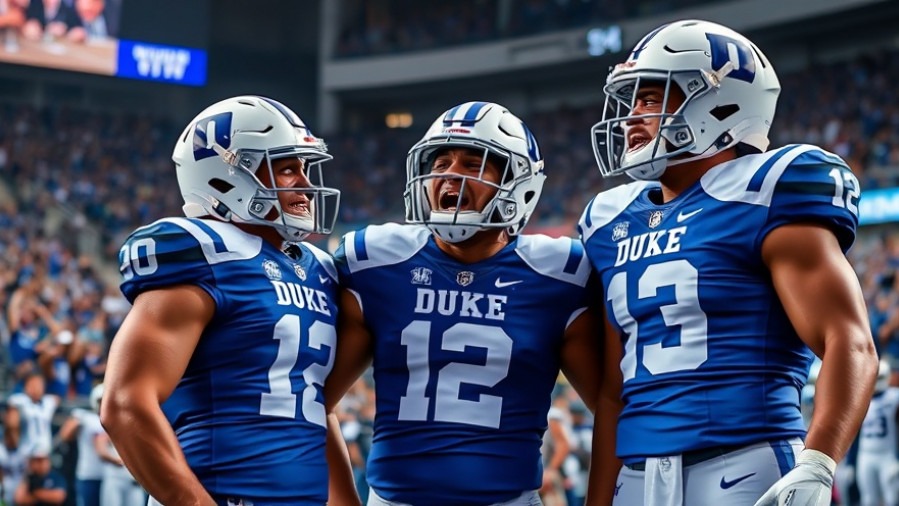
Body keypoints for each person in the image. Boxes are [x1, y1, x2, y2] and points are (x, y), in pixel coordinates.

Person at [578, 19, 880, 506]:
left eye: (652, 98)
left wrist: (819, 462)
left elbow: (850, 340)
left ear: (719, 103)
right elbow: (616, 392)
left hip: (743, 465)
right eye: (631, 100)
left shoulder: (766, 191)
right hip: (636, 475)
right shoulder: (610, 219)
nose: (633, 116)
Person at [326, 101, 602, 505]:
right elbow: (315, 401)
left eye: (473, 164)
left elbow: (610, 406)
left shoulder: (558, 274)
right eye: (441, 163)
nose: (450, 175)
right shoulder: (375, 261)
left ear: (518, 183)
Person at [99, 95, 343, 506]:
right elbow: (125, 404)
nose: (304, 182)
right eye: (286, 168)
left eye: (304, 167)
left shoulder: (318, 267)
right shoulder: (206, 252)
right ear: (227, 176)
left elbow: (319, 408)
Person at [856, 360, 899, 506]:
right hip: (865, 454)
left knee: (891, 498)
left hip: (887, 454)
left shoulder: (894, 397)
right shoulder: (861, 398)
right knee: (868, 499)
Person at [58, 383, 105, 506]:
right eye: (100, 401)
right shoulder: (84, 417)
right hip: (88, 474)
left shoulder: (116, 419)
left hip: (110, 476)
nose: (103, 404)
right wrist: (75, 423)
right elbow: (65, 436)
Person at [13, 441, 66, 506]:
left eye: (43, 460)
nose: (41, 464)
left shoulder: (55, 476)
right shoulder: (29, 478)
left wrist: (36, 494)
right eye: (37, 460)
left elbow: (59, 497)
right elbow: (19, 499)